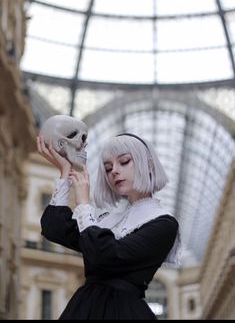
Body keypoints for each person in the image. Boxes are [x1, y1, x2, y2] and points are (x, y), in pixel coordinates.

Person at [36, 133, 181, 320]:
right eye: (107, 167)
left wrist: (83, 204)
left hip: (122, 311)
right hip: (84, 307)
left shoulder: (164, 224)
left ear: (149, 165)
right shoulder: (106, 219)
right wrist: (65, 173)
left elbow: (106, 255)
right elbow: (54, 228)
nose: (114, 171)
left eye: (124, 161)